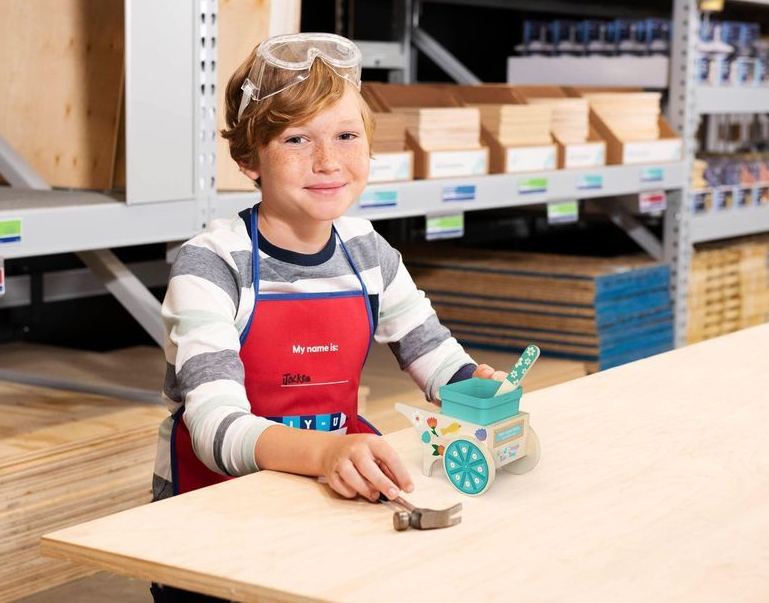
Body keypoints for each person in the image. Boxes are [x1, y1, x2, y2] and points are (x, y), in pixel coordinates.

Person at [150, 33, 507, 602]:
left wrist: (474, 389)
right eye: (297, 139)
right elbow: (215, 431)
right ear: (248, 159)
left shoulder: (369, 252)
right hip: (213, 513)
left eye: (346, 135)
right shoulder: (214, 263)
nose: (328, 161)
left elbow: (431, 351)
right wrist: (325, 455)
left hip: (326, 492)